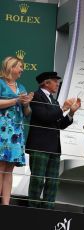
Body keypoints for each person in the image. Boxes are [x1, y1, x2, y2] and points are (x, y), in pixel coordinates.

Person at [26, 71, 81, 209]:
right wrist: (63, 108)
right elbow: (44, 116)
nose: (57, 83)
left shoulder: (54, 101)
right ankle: (33, 209)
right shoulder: (35, 96)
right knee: (37, 180)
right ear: (46, 82)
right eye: (55, 81)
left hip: (54, 147)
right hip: (39, 146)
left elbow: (60, 124)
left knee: (53, 182)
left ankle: (48, 210)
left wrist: (71, 112)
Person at [0, 56, 33, 205]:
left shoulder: (22, 87)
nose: (22, 70)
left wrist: (26, 104)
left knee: (9, 169)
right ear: (11, 67)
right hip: (2, 130)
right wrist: (16, 100)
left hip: (16, 132)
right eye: (19, 67)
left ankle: (6, 204)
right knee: (0, 166)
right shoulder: (0, 83)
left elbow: (27, 113)